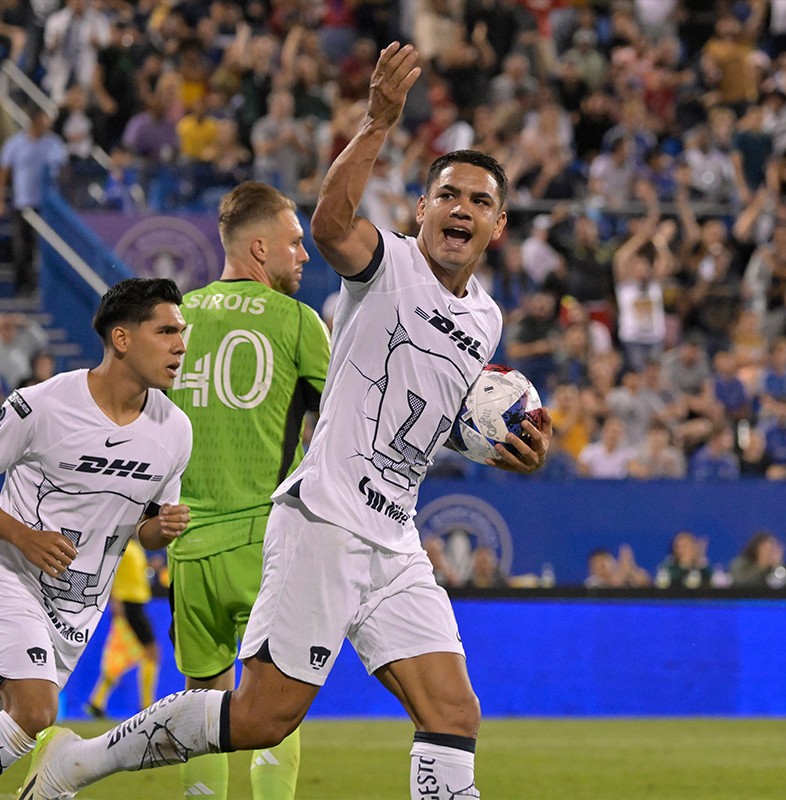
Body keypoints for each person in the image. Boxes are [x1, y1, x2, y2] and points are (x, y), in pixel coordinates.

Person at [19, 42, 552, 800]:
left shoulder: (487, 320)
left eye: (478, 201)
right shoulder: (390, 264)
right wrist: (376, 123)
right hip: (326, 519)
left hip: (395, 536)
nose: (460, 208)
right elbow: (332, 224)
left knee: (453, 711)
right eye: (447, 195)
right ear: (423, 209)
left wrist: (512, 449)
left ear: (497, 226)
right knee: (263, 716)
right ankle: (80, 762)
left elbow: (441, 417)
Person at [166, 181, 331, 800]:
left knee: (199, 703)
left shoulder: (173, 319)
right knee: (273, 703)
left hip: (189, 546)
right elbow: (349, 419)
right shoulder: (297, 321)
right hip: (268, 542)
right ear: (259, 249)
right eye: (294, 242)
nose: (304, 254)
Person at [0, 277, 191, 779]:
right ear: (122, 338)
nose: (180, 345)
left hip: (77, 609)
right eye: (166, 331)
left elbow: (144, 529)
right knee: (35, 710)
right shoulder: (41, 405)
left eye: (182, 332)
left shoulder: (175, 430)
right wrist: (24, 536)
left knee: (18, 718)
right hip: (12, 577)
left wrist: (162, 528)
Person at [84, 537, 160, 718]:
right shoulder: (123, 546)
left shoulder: (135, 547)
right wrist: (115, 601)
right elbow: (109, 573)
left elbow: (136, 574)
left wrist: (151, 567)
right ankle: (146, 704)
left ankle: (97, 702)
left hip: (135, 605)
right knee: (150, 653)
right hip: (129, 606)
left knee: (120, 655)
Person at [0, 106, 68, 296]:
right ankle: (23, 286)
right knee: (22, 246)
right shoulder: (15, 143)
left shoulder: (53, 143)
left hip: (47, 205)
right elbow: (4, 171)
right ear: (34, 120)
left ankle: (48, 287)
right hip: (23, 203)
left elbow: (63, 170)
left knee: (47, 247)